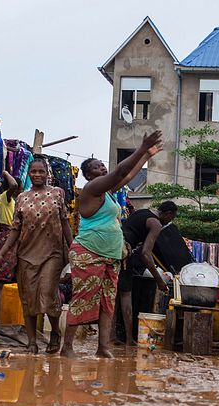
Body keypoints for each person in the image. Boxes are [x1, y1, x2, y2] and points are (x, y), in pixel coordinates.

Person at [60, 130, 164, 358]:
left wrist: (146, 155)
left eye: (102, 166)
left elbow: (126, 178)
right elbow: (121, 171)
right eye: (97, 167)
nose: (103, 169)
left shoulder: (106, 193)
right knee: (83, 299)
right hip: (89, 252)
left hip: (111, 255)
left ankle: (103, 347)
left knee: (108, 302)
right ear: (88, 175)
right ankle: (67, 347)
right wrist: (141, 147)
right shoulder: (92, 189)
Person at [0, 157, 73, 354]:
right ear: (29, 174)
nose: (37, 175)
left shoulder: (57, 194)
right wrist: (1, 254)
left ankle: (55, 332)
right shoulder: (22, 197)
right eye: (33, 171)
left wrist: (73, 250)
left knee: (47, 292)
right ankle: (31, 342)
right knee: (28, 299)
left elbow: (64, 223)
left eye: (41, 171)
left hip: (53, 252)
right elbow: (15, 229)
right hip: (26, 253)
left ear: (47, 173)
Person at [117, 201, 178, 345]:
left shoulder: (142, 212)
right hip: (123, 251)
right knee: (126, 295)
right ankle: (128, 339)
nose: (170, 221)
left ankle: (112, 337)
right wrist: (159, 280)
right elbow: (146, 253)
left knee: (113, 294)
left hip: (112, 245)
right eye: (172, 218)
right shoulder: (156, 224)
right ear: (168, 214)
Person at [0, 170, 21, 325]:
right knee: (0, 282)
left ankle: (7, 320)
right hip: (6, 238)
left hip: (11, 237)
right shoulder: (5, 198)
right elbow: (14, 184)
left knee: (7, 281)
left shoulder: (12, 201)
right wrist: (4, 172)